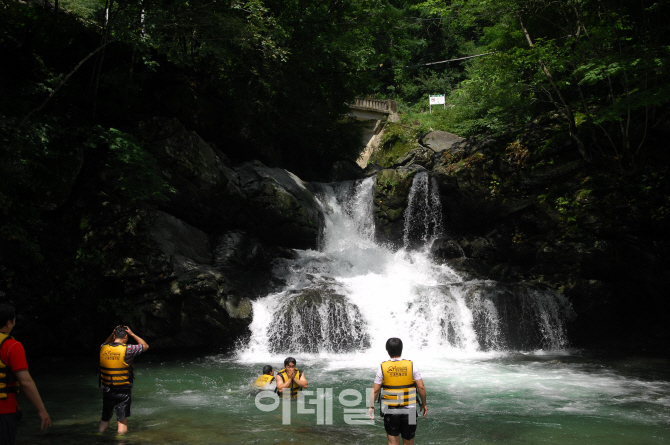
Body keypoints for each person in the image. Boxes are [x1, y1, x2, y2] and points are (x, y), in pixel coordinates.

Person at [0, 303, 51, 445]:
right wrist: (41, 410)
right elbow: (25, 382)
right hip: (4, 410)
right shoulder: (11, 346)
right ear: (9, 322)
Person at [368, 338, 427, 445]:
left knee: (393, 443)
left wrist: (371, 406)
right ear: (401, 349)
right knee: (409, 443)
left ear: (387, 350)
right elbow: (421, 387)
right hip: (410, 410)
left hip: (391, 410)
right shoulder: (412, 365)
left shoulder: (383, 367)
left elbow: (376, 390)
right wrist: (424, 403)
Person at [98, 325, 149, 436]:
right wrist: (132, 334)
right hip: (123, 391)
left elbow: (106, 342)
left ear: (114, 335)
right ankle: (121, 441)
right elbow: (145, 346)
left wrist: (113, 334)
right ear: (125, 337)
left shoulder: (103, 347)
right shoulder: (129, 349)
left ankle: (98, 436)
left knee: (105, 419)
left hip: (107, 389)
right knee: (121, 422)